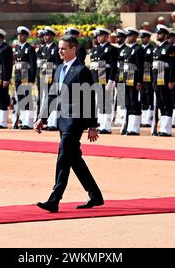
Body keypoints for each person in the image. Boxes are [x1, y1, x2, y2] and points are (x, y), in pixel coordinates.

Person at [34, 35, 103, 213]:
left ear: (74, 49)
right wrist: (42, 117)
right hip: (62, 119)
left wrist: (93, 125)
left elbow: (90, 98)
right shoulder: (59, 69)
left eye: (63, 48)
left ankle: (54, 199)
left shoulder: (82, 70)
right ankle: (95, 195)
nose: (60, 51)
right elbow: (52, 94)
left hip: (75, 120)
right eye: (59, 48)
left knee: (63, 156)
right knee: (74, 159)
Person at [152, 24, 175, 136]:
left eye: (160, 33)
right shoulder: (157, 48)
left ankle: (166, 129)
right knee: (160, 103)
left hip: (165, 79)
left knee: (167, 102)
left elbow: (172, 66)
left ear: (166, 35)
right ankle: (162, 128)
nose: (158, 35)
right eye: (157, 33)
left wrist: (171, 81)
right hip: (157, 79)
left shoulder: (169, 48)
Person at [91, 27, 118, 134]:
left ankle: (106, 126)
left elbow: (113, 67)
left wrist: (111, 80)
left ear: (106, 36)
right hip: (96, 79)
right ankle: (101, 124)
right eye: (97, 36)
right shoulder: (95, 50)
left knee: (106, 102)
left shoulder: (111, 49)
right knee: (100, 102)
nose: (98, 38)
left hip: (105, 79)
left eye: (100, 35)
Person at [37, 26, 62, 131]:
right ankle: (44, 120)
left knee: (52, 99)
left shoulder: (55, 48)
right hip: (42, 76)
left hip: (52, 77)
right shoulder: (42, 49)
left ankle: (53, 122)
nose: (45, 37)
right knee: (43, 99)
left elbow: (59, 64)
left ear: (52, 36)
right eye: (44, 36)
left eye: (47, 35)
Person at [14, 26, 37, 129]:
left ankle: (29, 122)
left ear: (26, 36)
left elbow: (33, 65)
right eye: (19, 35)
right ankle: (24, 121)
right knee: (21, 99)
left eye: (22, 35)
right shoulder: (17, 48)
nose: (20, 37)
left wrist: (31, 79)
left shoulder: (30, 48)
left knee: (27, 99)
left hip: (26, 77)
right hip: (18, 77)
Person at [123, 27, 144, 136]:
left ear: (135, 36)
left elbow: (140, 67)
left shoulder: (138, 49)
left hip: (134, 78)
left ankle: (135, 128)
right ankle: (129, 126)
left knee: (134, 102)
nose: (128, 38)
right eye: (127, 36)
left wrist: (139, 81)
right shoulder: (126, 49)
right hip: (126, 77)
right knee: (128, 103)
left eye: (130, 36)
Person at [139, 30, 155, 128]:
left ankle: (149, 119)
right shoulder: (139, 48)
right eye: (141, 37)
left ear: (148, 38)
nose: (142, 39)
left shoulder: (152, 48)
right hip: (141, 75)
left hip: (149, 75)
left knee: (149, 95)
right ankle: (144, 118)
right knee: (143, 96)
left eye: (144, 37)